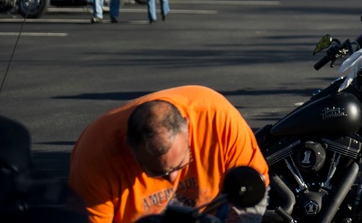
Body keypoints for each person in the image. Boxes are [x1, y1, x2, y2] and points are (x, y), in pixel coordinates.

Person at [68, 85, 269, 223]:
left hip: (214, 210)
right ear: (128, 147)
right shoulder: (95, 160)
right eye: (157, 173)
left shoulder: (217, 117)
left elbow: (253, 187)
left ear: (188, 128)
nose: (172, 178)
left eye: (181, 164)